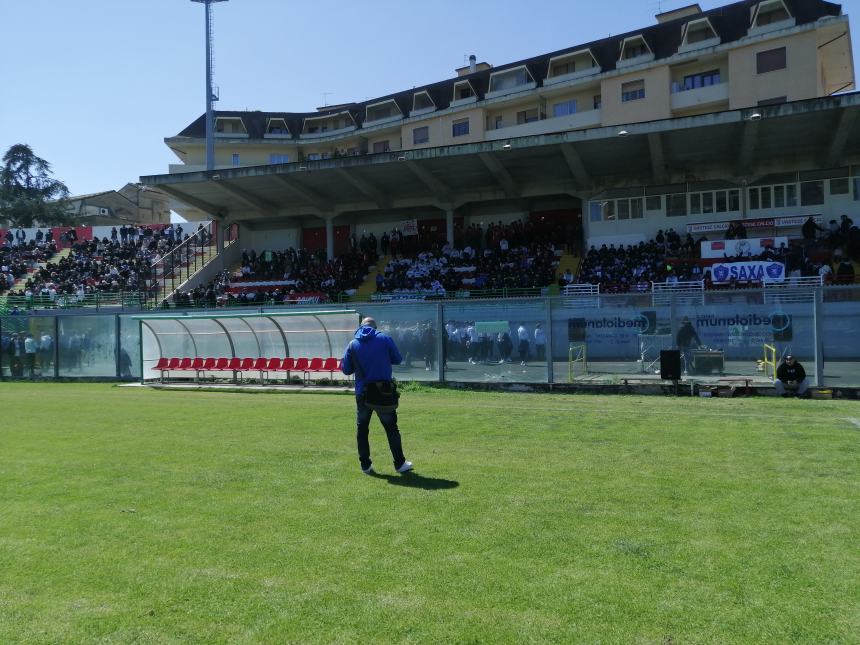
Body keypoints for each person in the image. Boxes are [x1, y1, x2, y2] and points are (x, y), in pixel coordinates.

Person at [341, 317, 413, 475]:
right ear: (375, 327)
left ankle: (365, 465)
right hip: (383, 392)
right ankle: (400, 464)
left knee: (362, 428)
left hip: (363, 393)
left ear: (361, 327)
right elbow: (398, 359)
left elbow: (346, 369)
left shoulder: (353, 344)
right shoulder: (385, 339)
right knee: (391, 428)